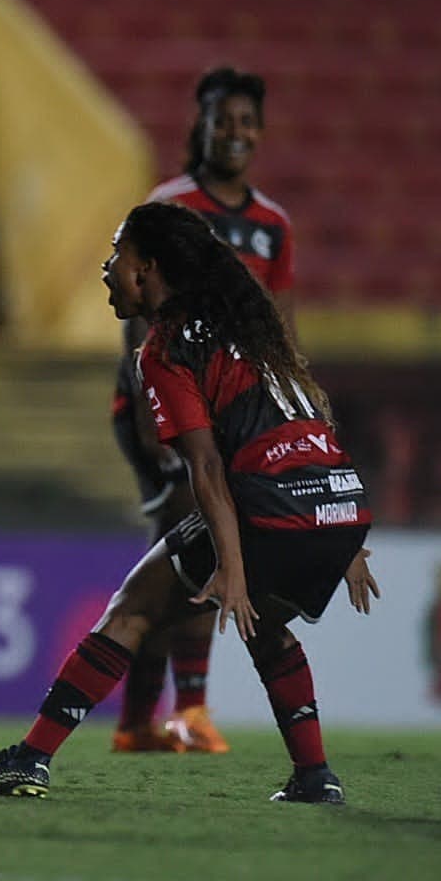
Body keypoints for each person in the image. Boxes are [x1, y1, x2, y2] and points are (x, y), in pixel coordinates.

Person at [0, 201, 377, 803]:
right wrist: (347, 543)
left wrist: (231, 565)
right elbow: (308, 423)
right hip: (338, 503)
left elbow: (204, 468)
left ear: (147, 268)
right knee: (269, 625)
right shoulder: (248, 328)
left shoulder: (167, 349)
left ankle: (30, 759)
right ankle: (314, 775)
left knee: (133, 609)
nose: (106, 268)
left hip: (275, 506)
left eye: (116, 254)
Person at [109, 66, 295, 755]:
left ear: (261, 131)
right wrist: (152, 416)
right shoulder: (171, 206)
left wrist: (288, 407)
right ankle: (189, 709)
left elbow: (280, 324)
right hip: (161, 402)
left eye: (248, 120)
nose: (236, 132)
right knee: (197, 547)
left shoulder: (273, 225)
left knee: (174, 559)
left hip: (227, 412)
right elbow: (136, 315)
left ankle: (135, 723)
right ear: (203, 125)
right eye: (224, 119)